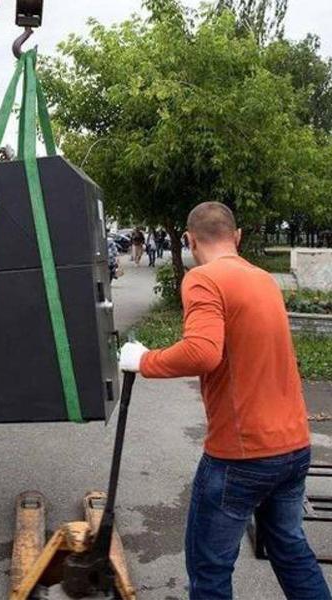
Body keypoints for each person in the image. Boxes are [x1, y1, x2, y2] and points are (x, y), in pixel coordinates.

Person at [119, 202, 330, 600]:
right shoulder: (263, 279)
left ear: (189, 240)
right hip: (293, 446)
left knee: (210, 568)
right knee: (290, 549)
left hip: (242, 455)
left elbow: (202, 352)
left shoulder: (204, 280)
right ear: (237, 237)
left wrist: (143, 360)